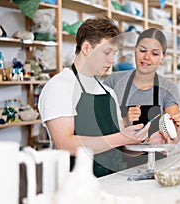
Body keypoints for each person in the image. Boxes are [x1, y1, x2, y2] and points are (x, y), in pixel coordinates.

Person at [38, 16, 151, 178]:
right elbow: (65, 144)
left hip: (114, 181)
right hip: (76, 187)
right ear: (86, 48)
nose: (112, 60)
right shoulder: (60, 86)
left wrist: (147, 142)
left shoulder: (108, 92)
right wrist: (121, 138)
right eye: (106, 52)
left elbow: (118, 146)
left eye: (114, 54)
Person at [104, 28, 180, 167]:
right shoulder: (113, 81)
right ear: (135, 50)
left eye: (154, 53)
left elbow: (174, 134)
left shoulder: (168, 88)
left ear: (163, 57)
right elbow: (101, 127)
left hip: (155, 164)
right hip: (116, 165)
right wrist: (125, 121)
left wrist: (173, 130)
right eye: (142, 51)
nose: (146, 57)